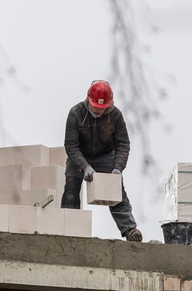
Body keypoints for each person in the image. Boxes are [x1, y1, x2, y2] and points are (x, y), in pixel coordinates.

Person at [61, 80, 142, 242]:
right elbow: (70, 145)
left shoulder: (116, 116)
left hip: (105, 157)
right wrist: (84, 166)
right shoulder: (76, 113)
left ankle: (130, 230)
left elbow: (123, 144)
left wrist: (118, 167)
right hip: (79, 156)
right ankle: (68, 230)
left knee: (117, 192)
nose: (98, 110)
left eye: (102, 108)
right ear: (88, 100)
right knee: (71, 189)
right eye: (96, 107)